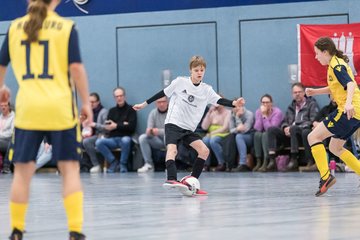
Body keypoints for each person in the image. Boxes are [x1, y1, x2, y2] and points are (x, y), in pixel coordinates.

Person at [0, 0, 92, 239]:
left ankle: (17, 230)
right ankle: (75, 230)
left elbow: (1, 66)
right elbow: (77, 69)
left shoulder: (14, 27)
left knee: (22, 173)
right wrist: (85, 102)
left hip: (29, 110)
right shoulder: (66, 27)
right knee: (70, 170)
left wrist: (1, 87)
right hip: (61, 110)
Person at [133, 55, 245, 195]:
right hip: (173, 122)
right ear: (190, 70)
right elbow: (163, 93)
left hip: (188, 128)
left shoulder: (206, 90)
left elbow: (219, 100)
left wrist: (234, 103)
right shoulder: (180, 82)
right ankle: (171, 178)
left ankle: (192, 182)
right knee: (172, 150)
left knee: (204, 151)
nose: (199, 73)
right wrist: (144, 104)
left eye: (202, 70)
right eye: (196, 70)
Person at [306, 36, 360, 197]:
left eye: (317, 53)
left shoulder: (336, 65)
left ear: (325, 51)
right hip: (356, 113)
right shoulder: (335, 63)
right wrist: (315, 91)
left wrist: (349, 104)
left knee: (313, 137)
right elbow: (335, 87)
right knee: (335, 147)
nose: (316, 57)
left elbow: (350, 84)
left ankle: (325, 177)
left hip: (348, 111)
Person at [266, 83, 319, 171]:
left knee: (294, 128)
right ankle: (272, 160)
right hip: (289, 135)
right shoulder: (291, 107)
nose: (297, 94)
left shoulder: (311, 104)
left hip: (302, 134)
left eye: (299, 92)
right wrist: (285, 127)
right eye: (295, 92)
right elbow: (284, 121)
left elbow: (313, 121)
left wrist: (295, 127)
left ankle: (294, 159)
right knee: (271, 129)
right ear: (292, 94)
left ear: (304, 93)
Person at [95, 87, 137, 173]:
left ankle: (123, 164)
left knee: (126, 140)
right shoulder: (112, 111)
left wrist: (116, 125)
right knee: (99, 142)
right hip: (113, 139)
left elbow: (132, 127)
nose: (119, 98)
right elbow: (108, 126)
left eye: (121, 95)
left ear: (124, 96)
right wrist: (123, 124)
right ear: (114, 98)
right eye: (117, 96)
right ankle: (114, 162)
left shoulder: (131, 109)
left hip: (126, 138)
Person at [253, 94, 283, 172]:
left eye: (267, 102)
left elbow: (270, 129)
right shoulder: (258, 112)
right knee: (257, 134)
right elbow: (258, 128)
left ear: (271, 103)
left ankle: (266, 161)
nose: (265, 104)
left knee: (265, 134)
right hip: (263, 136)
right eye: (263, 103)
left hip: (275, 138)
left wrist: (264, 116)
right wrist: (261, 114)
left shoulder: (277, 112)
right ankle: (259, 161)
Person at [137, 96, 168, 173]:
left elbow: (173, 130)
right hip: (157, 140)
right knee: (143, 138)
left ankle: (170, 165)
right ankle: (149, 164)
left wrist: (158, 131)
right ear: (155, 104)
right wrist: (149, 132)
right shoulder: (153, 113)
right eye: (159, 102)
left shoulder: (172, 113)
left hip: (170, 140)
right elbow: (149, 130)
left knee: (168, 136)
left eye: (163, 102)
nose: (161, 104)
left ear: (167, 102)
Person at [81, 92, 108, 173]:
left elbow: (107, 128)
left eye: (93, 102)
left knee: (86, 142)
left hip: (100, 135)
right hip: (88, 134)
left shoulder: (104, 112)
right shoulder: (87, 112)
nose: (91, 104)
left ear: (98, 102)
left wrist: (95, 125)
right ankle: (82, 166)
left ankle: (96, 165)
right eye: (89, 102)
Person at [201, 104, 231, 171]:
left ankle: (222, 163)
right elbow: (204, 127)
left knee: (213, 141)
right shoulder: (212, 113)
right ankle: (206, 164)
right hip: (211, 134)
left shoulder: (228, 112)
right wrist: (209, 113)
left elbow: (225, 128)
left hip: (223, 134)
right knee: (205, 140)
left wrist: (212, 133)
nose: (216, 105)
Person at [229, 104, 255, 172]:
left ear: (241, 106)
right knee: (232, 137)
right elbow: (231, 130)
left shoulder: (249, 114)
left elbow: (245, 130)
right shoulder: (232, 115)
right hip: (238, 136)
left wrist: (237, 118)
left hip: (250, 136)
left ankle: (242, 164)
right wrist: (237, 129)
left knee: (239, 136)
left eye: (237, 106)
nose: (235, 109)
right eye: (233, 107)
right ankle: (229, 164)